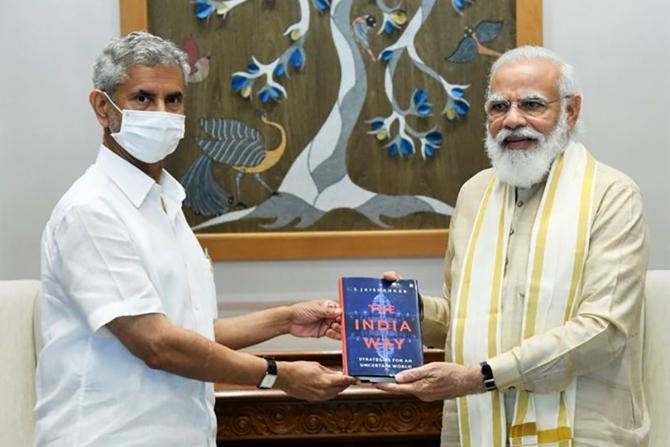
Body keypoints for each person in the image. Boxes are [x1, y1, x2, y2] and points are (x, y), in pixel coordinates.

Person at [34, 32, 356, 447]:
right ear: (103, 107)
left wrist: (286, 319)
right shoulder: (90, 210)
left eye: (174, 100)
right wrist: (278, 374)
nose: (162, 112)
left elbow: (193, 333)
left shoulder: (165, 202)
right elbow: (157, 344)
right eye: (143, 98)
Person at [378, 46, 649, 446]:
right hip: (479, 423)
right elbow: (461, 317)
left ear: (570, 112)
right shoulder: (475, 194)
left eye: (532, 104)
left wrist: (481, 376)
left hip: (583, 428)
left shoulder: (612, 195)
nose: (513, 120)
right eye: (499, 106)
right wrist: (415, 312)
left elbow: (603, 330)